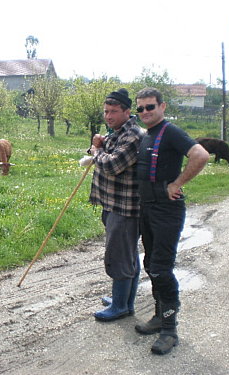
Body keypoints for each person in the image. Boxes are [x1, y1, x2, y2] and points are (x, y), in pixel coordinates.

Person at [134, 87, 209, 355]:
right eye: (140, 108)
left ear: (162, 107)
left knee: (161, 268)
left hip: (167, 210)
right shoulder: (147, 135)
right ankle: (158, 317)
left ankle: (170, 329)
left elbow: (201, 155)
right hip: (148, 208)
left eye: (150, 107)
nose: (144, 112)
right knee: (150, 264)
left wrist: (177, 183)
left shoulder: (171, 132)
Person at [88, 88, 145, 322]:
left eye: (113, 112)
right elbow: (102, 154)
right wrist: (97, 146)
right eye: (105, 111)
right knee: (128, 253)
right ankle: (125, 301)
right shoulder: (117, 132)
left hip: (125, 207)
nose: (108, 116)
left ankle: (120, 306)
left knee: (120, 255)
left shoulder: (133, 135)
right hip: (111, 203)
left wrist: (97, 151)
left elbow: (111, 164)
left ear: (127, 111)